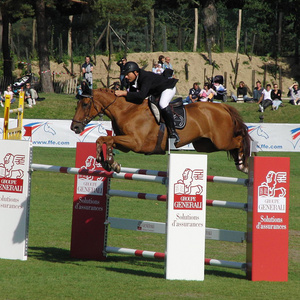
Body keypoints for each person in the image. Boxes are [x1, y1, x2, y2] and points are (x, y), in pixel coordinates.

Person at [114, 61, 180, 144]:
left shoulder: (145, 77)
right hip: (156, 91)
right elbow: (133, 95)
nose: (126, 77)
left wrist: (124, 93)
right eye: (125, 75)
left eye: (128, 74)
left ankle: (173, 132)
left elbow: (141, 95)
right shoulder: (133, 79)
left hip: (167, 88)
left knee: (162, 104)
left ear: (135, 72)